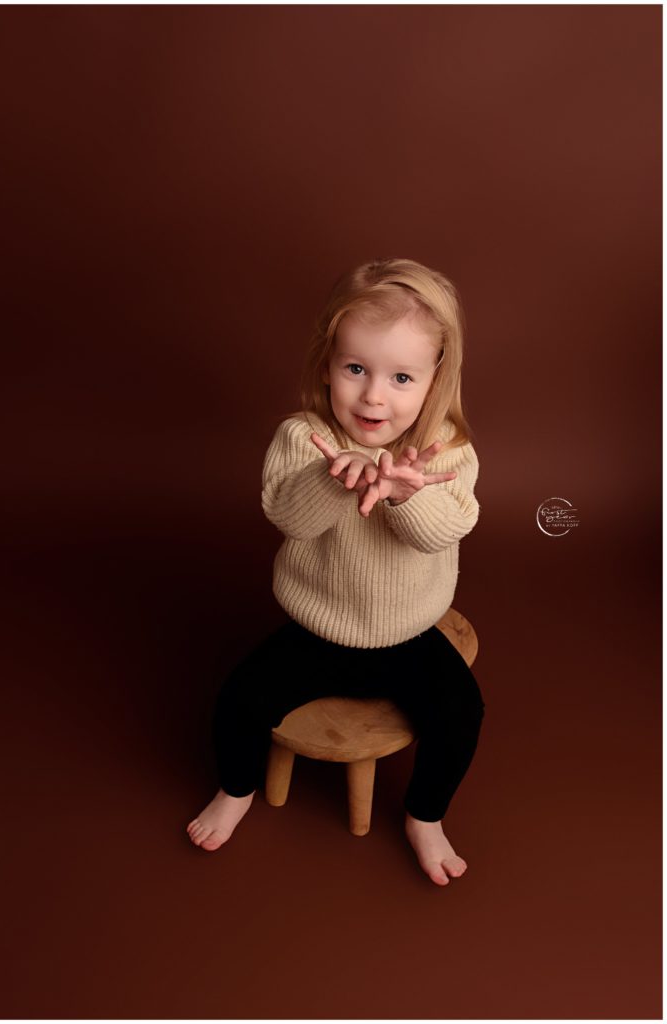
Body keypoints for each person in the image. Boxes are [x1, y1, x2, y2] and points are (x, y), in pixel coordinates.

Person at [187, 257, 486, 886]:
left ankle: (424, 816)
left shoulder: (447, 451)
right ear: (328, 364)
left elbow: (449, 530)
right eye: (356, 369)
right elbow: (289, 518)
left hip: (408, 635)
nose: (374, 395)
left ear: (435, 380)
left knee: (462, 714)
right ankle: (236, 790)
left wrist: (407, 495)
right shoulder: (304, 438)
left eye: (401, 376)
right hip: (318, 630)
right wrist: (331, 480)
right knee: (239, 700)